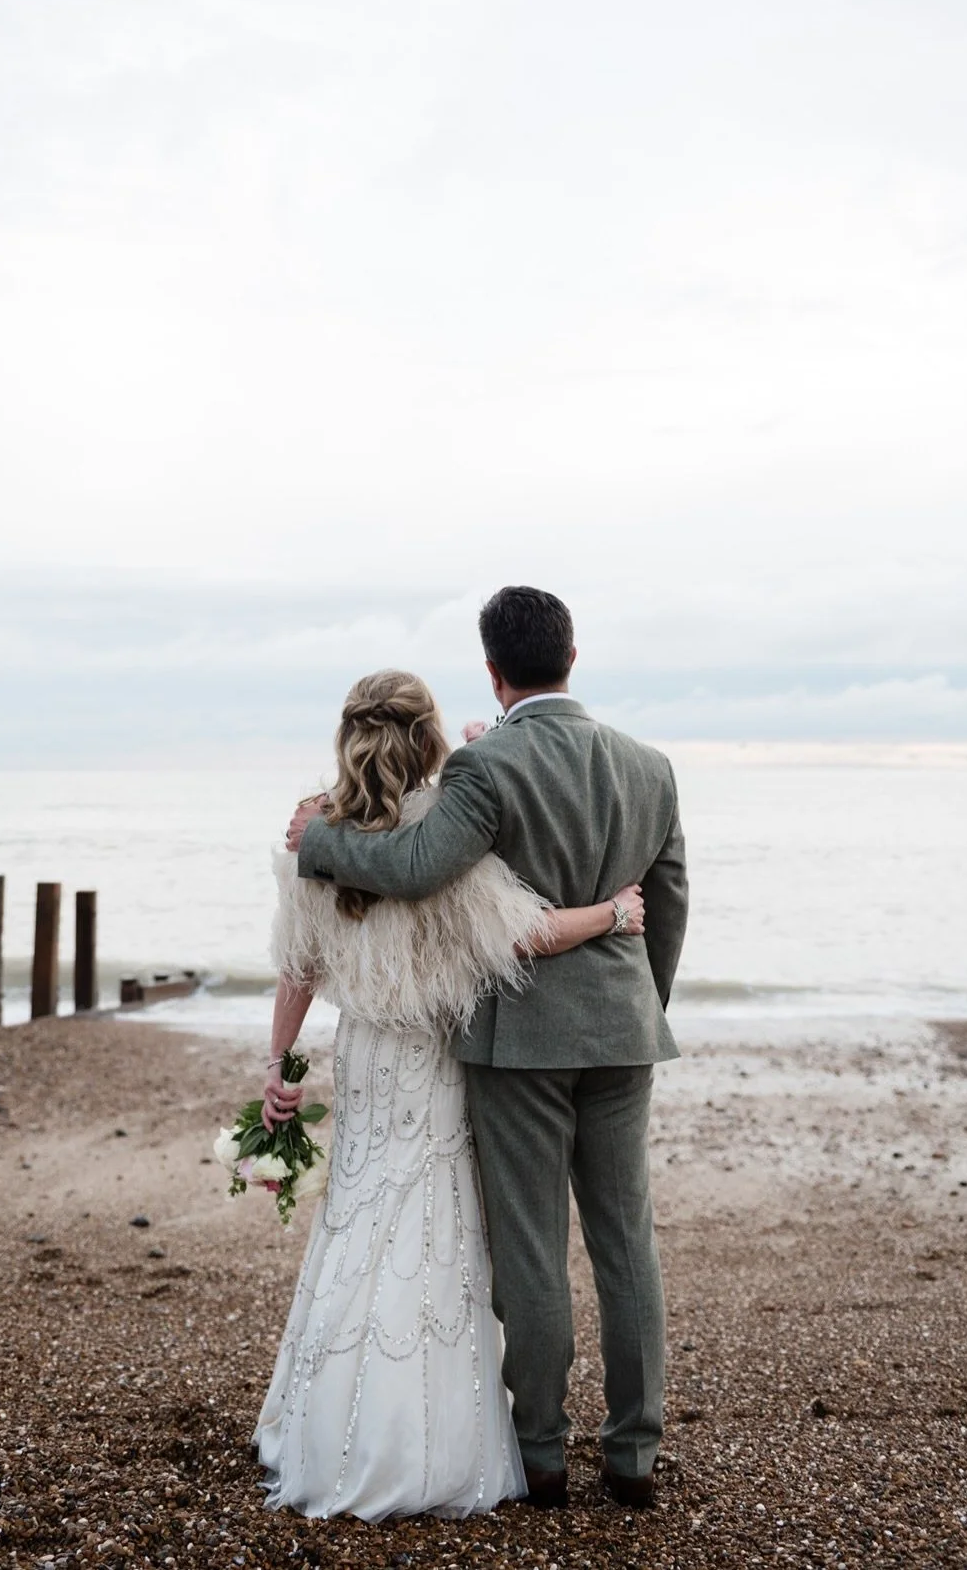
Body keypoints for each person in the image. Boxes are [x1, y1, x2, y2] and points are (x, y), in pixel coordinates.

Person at [286, 587, 688, 1510]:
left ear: (494, 670)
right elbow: (668, 905)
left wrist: (320, 845)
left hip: (523, 1045)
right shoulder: (650, 765)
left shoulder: (487, 765)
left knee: (534, 1248)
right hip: (624, 1034)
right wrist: (637, 1005)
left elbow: (419, 870)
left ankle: (542, 1452)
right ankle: (632, 1455)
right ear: (573, 657)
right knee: (628, 1242)